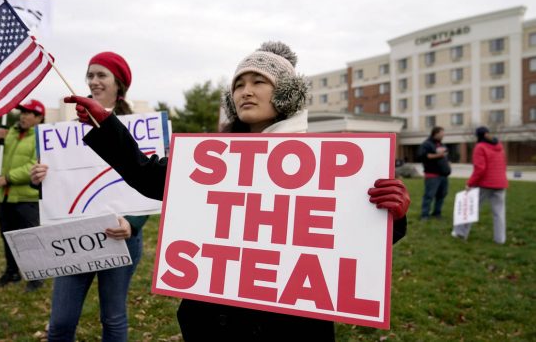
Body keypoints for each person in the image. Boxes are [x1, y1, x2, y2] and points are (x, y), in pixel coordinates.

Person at [65, 41, 410, 342]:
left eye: (259, 81)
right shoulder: (214, 158)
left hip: (290, 324)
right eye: (239, 84)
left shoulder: (328, 162)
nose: (246, 91)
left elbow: (352, 240)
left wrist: (393, 213)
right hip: (215, 321)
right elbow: (146, 175)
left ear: (286, 92)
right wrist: (106, 124)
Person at [31, 52, 148, 342]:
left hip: (119, 234)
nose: (94, 82)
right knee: (60, 322)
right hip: (75, 234)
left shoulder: (141, 127)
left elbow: (150, 181)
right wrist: (41, 180)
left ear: (118, 84)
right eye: (90, 75)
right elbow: (63, 182)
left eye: (101, 75)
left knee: (113, 317)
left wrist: (132, 222)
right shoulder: (68, 129)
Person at [0, 99, 45, 292]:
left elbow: (34, 165)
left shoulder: (41, 137)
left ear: (39, 117)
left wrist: (8, 178)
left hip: (26, 199)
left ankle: (36, 277)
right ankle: (12, 273)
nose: (23, 116)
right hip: (5, 198)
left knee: (30, 239)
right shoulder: (11, 133)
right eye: (22, 112)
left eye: (29, 113)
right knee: (7, 237)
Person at [452, 126, 508, 244]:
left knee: (470, 209)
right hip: (500, 183)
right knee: (499, 213)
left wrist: (470, 183)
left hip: (485, 184)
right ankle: (500, 239)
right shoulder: (499, 146)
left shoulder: (480, 147)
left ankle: (460, 233)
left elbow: (480, 169)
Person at [418, 126, 451, 220]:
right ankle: (424, 215)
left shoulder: (441, 144)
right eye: (441, 134)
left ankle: (437, 213)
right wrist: (439, 155)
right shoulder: (427, 144)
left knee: (441, 195)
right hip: (432, 175)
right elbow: (424, 156)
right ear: (435, 133)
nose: (443, 136)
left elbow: (445, 155)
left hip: (443, 175)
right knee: (429, 196)